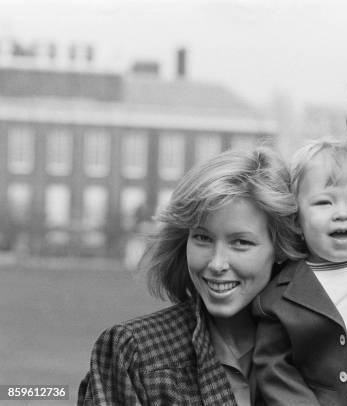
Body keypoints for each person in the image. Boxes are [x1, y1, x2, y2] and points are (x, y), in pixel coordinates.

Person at [78, 148, 303, 406]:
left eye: (240, 242)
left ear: (280, 248)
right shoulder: (133, 354)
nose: (217, 263)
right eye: (203, 238)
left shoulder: (317, 350)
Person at [253, 141, 347, 406]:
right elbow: (274, 370)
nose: (342, 214)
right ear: (296, 221)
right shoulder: (279, 294)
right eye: (324, 202)